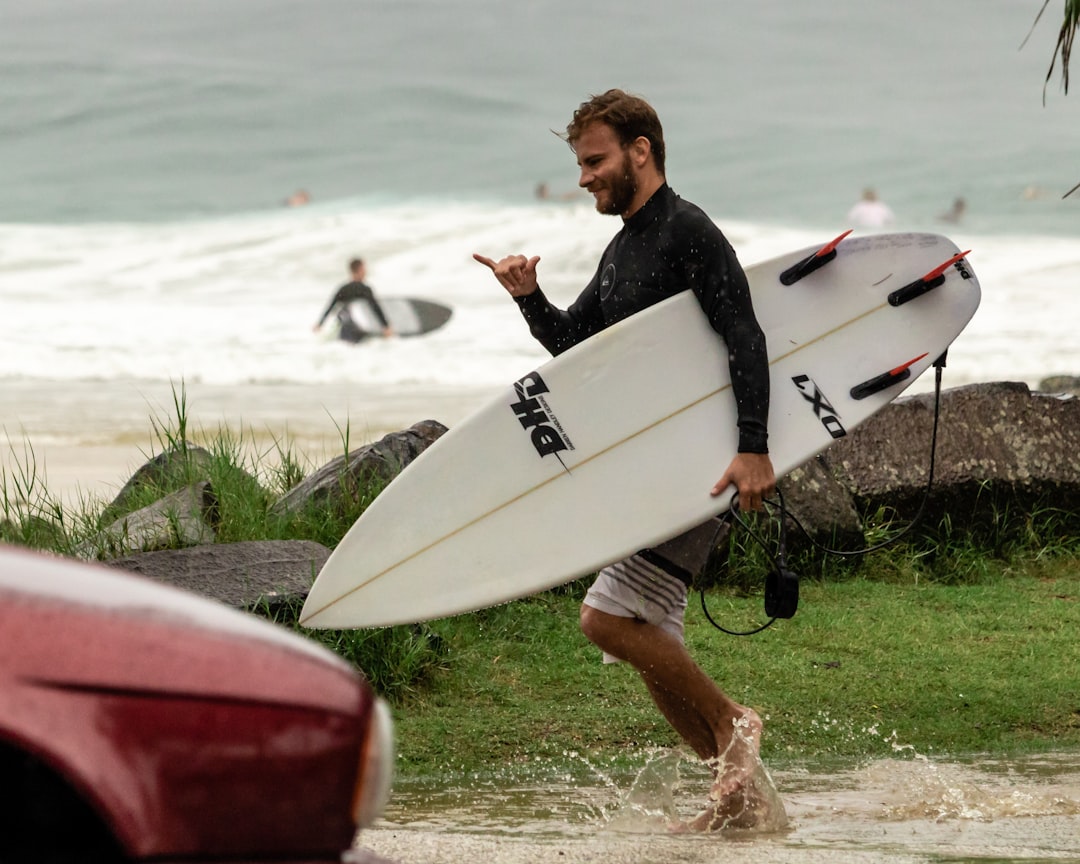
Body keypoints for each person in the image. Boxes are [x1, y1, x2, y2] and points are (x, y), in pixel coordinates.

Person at [474, 89, 777, 830]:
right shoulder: (625, 248)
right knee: (651, 637)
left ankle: (736, 725)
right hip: (657, 465)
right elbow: (578, 349)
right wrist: (528, 297)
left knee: (608, 619)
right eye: (580, 164)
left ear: (641, 150)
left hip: (702, 460)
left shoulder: (687, 232)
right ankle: (742, 801)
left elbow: (745, 332)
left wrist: (752, 449)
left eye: (595, 160)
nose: (584, 178)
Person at [313, 258, 394, 341]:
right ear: (359, 270)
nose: (365, 272)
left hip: (345, 327)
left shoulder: (343, 289)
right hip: (360, 329)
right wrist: (386, 326)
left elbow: (331, 306)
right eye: (364, 269)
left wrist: (320, 323)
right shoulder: (365, 289)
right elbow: (375, 308)